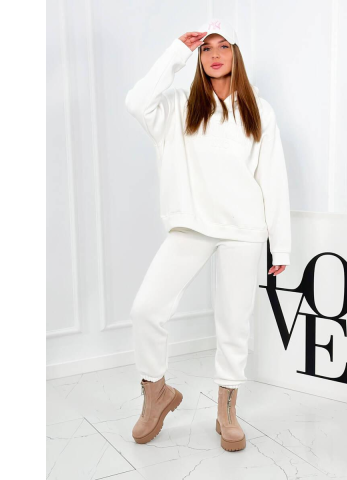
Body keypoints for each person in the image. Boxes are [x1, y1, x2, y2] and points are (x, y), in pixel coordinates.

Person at [124, 18, 292, 452]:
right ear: (197, 57)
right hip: (192, 225)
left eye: (223, 46)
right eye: (206, 48)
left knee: (234, 322)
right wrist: (176, 51)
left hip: (244, 229)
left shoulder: (259, 110)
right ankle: (156, 394)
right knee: (147, 308)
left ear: (236, 53)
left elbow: (273, 179)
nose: (215, 55)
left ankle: (227, 410)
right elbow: (135, 101)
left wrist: (281, 244)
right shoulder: (180, 106)